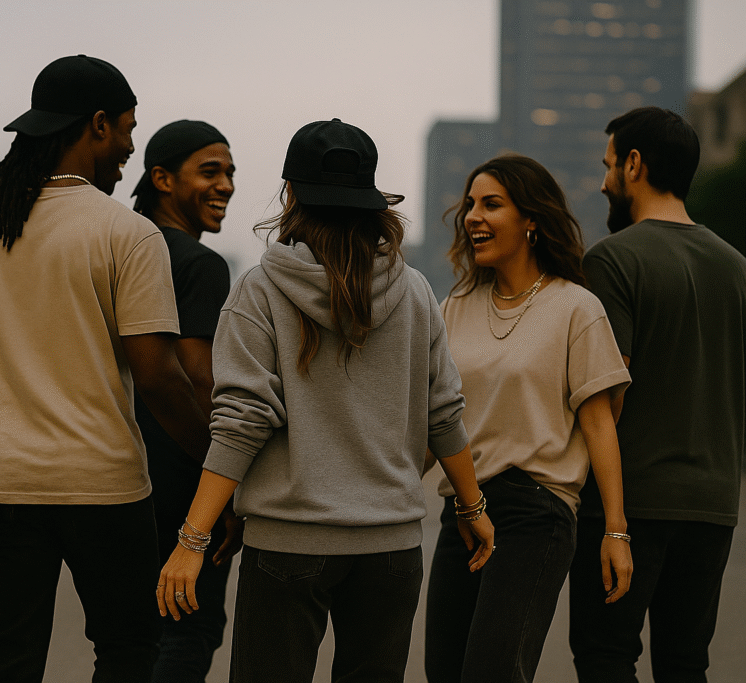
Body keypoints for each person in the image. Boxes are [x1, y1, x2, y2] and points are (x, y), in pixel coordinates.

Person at [157, 118, 495, 683]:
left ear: (291, 194)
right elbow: (444, 412)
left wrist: (192, 539)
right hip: (390, 550)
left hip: (288, 544)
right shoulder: (413, 291)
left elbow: (241, 420)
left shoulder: (260, 291)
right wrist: (472, 506)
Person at [0, 55, 211, 683]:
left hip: (0, 488)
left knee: (8, 660)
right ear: (98, 124)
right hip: (103, 487)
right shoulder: (126, 233)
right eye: (129, 129)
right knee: (127, 652)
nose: (131, 148)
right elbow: (160, 376)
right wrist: (217, 467)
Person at [425, 154, 633, 683]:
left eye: (491, 204)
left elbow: (600, 423)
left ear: (532, 219)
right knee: (443, 671)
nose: (473, 215)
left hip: (535, 512)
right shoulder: (456, 305)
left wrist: (615, 531)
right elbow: (434, 421)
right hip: (464, 510)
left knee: (492, 672)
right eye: (470, 204)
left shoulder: (576, 308)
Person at [568, 107, 746, 683]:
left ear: (635, 164)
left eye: (609, 165)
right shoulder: (738, 268)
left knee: (606, 656)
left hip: (629, 504)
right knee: (685, 662)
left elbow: (608, 394)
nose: (602, 181)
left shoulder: (613, 260)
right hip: (713, 504)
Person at [130, 119, 243, 682]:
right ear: (162, 178)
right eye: (209, 171)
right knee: (187, 630)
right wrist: (222, 486)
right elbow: (201, 380)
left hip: (116, 476)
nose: (225, 185)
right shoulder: (198, 266)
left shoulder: (117, 247)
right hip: (179, 482)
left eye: (229, 173)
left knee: (130, 641)